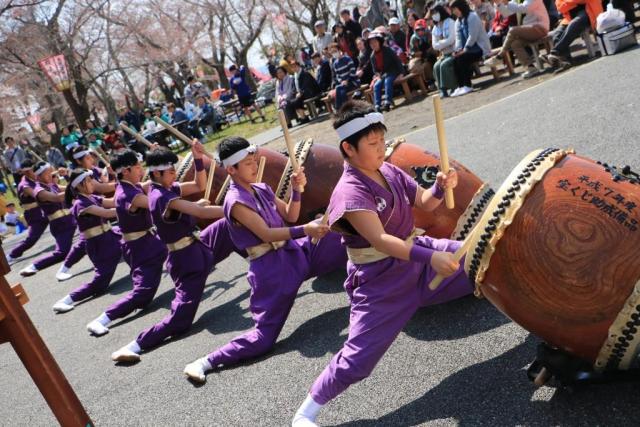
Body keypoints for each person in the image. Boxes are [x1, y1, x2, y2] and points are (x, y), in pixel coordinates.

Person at [291, 100, 475, 426]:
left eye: (382, 140)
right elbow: (380, 241)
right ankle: (306, 412)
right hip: (380, 282)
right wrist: (432, 256)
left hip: (416, 255)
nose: (380, 149)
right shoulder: (349, 192)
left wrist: (439, 186)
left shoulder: (387, 170)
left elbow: (425, 203)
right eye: (372, 144)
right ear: (348, 148)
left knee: (480, 259)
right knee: (358, 360)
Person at [183, 137, 347, 383]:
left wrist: (296, 190)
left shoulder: (262, 188)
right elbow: (267, 234)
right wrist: (307, 229)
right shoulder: (235, 201)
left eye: (253, 160)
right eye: (247, 163)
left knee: (343, 235)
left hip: (296, 251)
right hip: (271, 271)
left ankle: (379, 286)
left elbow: (291, 215)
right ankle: (206, 361)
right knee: (263, 339)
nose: (253, 165)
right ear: (231, 170)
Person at [110, 143, 225, 362]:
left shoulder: (168, 187)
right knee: (180, 320)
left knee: (227, 229)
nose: (174, 174)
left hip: (199, 248)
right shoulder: (159, 196)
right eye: (170, 171)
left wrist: (197, 158)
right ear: (156, 173)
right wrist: (236, 207)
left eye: (174, 170)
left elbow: (199, 184)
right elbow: (200, 210)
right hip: (186, 261)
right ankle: (136, 344)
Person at [86, 149, 168, 336]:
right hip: (141, 249)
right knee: (142, 294)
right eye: (137, 166)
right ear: (125, 171)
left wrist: (161, 164)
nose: (141, 169)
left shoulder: (130, 186)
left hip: (151, 241)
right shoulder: (127, 194)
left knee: (189, 249)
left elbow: (150, 183)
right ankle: (103, 318)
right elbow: (158, 204)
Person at [51, 169, 122, 313]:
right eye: (89, 181)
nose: (93, 183)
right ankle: (67, 299)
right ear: (79, 185)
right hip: (100, 245)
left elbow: (113, 202)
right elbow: (108, 212)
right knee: (100, 283)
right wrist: (129, 206)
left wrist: (126, 189)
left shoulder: (92, 197)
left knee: (141, 243)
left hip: (111, 236)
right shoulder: (80, 204)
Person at [54, 145, 116, 282]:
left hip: (98, 203)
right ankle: (64, 267)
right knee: (86, 240)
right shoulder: (81, 174)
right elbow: (102, 187)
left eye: (91, 156)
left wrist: (111, 173)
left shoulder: (93, 170)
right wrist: (118, 184)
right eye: (87, 158)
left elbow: (106, 181)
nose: (92, 159)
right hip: (91, 209)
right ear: (79, 161)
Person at [18, 162, 76, 277]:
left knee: (93, 238)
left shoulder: (52, 185)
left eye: (50, 172)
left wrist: (67, 176)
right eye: (47, 173)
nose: (51, 175)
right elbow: (57, 197)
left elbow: (73, 188)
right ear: (38, 175)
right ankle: (34, 266)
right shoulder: (38, 191)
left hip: (71, 220)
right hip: (60, 225)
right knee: (62, 252)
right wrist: (78, 181)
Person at [484, 0, 550, 79]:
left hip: (540, 28)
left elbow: (524, 8)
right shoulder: (518, 1)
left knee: (513, 30)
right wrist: (499, 3)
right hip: (530, 30)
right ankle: (530, 67)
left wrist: (507, 3)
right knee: (515, 43)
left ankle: (500, 56)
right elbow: (506, 13)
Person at [6, 160, 49, 265]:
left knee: (65, 217)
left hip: (45, 209)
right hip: (35, 215)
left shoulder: (36, 178)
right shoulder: (24, 185)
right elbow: (38, 195)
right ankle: (11, 254)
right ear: (25, 172)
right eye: (30, 170)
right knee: (32, 239)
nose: (33, 172)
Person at [542, 0, 602, 70]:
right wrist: (574, 2)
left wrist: (569, 3)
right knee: (557, 33)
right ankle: (565, 61)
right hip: (569, 17)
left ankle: (555, 52)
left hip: (588, 11)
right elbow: (560, 7)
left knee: (574, 24)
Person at [449, 0, 491, 97]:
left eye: (455, 9)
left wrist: (465, 50)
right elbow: (458, 38)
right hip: (467, 49)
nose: (454, 11)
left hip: (480, 48)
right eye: (453, 10)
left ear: (461, 7)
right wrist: (458, 50)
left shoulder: (473, 16)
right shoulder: (458, 21)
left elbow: (473, 36)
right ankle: (461, 86)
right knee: (455, 59)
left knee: (462, 59)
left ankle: (468, 85)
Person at [368, 32, 404, 111]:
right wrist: (377, 76)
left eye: (375, 42)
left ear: (379, 42)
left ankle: (388, 102)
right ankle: (377, 105)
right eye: (371, 43)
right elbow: (375, 70)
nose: (373, 44)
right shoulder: (372, 56)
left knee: (387, 81)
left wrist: (401, 73)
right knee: (376, 85)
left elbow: (397, 61)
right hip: (383, 75)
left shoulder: (387, 50)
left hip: (393, 71)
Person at [430, 5, 459, 98]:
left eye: (435, 13)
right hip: (444, 54)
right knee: (436, 66)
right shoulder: (435, 28)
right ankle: (442, 90)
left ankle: (453, 87)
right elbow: (434, 45)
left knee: (444, 65)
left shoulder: (450, 22)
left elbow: (451, 39)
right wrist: (443, 43)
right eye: (433, 14)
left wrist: (440, 43)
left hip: (454, 52)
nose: (434, 16)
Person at [328, 43, 360, 111]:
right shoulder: (335, 63)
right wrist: (341, 81)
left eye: (335, 51)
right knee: (339, 87)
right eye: (332, 52)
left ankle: (341, 108)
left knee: (339, 88)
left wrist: (347, 80)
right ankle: (344, 108)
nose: (334, 53)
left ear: (339, 50)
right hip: (343, 84)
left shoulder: (347, 59)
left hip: (353, 82)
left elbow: (352, 72)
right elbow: (337, 76)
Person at [408, 19, 437, 84]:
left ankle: (431, 81)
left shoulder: (429, 35)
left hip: (431, 54)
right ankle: (422, 84)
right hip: (419, 56)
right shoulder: (413, 38)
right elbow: (412, 51)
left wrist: (429, 51)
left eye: (422, 29)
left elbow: (434, 46)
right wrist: (416, 54)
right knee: (414, 66)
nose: (420, 31)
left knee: (426, 65)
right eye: (417, 30)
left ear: (425, 29)